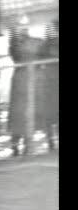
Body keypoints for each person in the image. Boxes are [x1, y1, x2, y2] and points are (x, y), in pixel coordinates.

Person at [7, 16, 44, 156]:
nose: (23, 29)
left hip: (29, 81)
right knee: (19, 113)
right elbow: (14, 53)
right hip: (20, 82)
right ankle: (16, 143)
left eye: (25, 26)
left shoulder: (35, 42)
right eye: (20, 26)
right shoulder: (16, 44)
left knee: (28, 112)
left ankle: (26, 142)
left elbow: (41, 59)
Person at [35, 19, 59, 151]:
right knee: (49, 113)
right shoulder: (44, 46)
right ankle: (50, 139)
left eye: (53, 29)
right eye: (48, 30)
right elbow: (38, 62)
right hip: (48, 83)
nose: (51, 32)